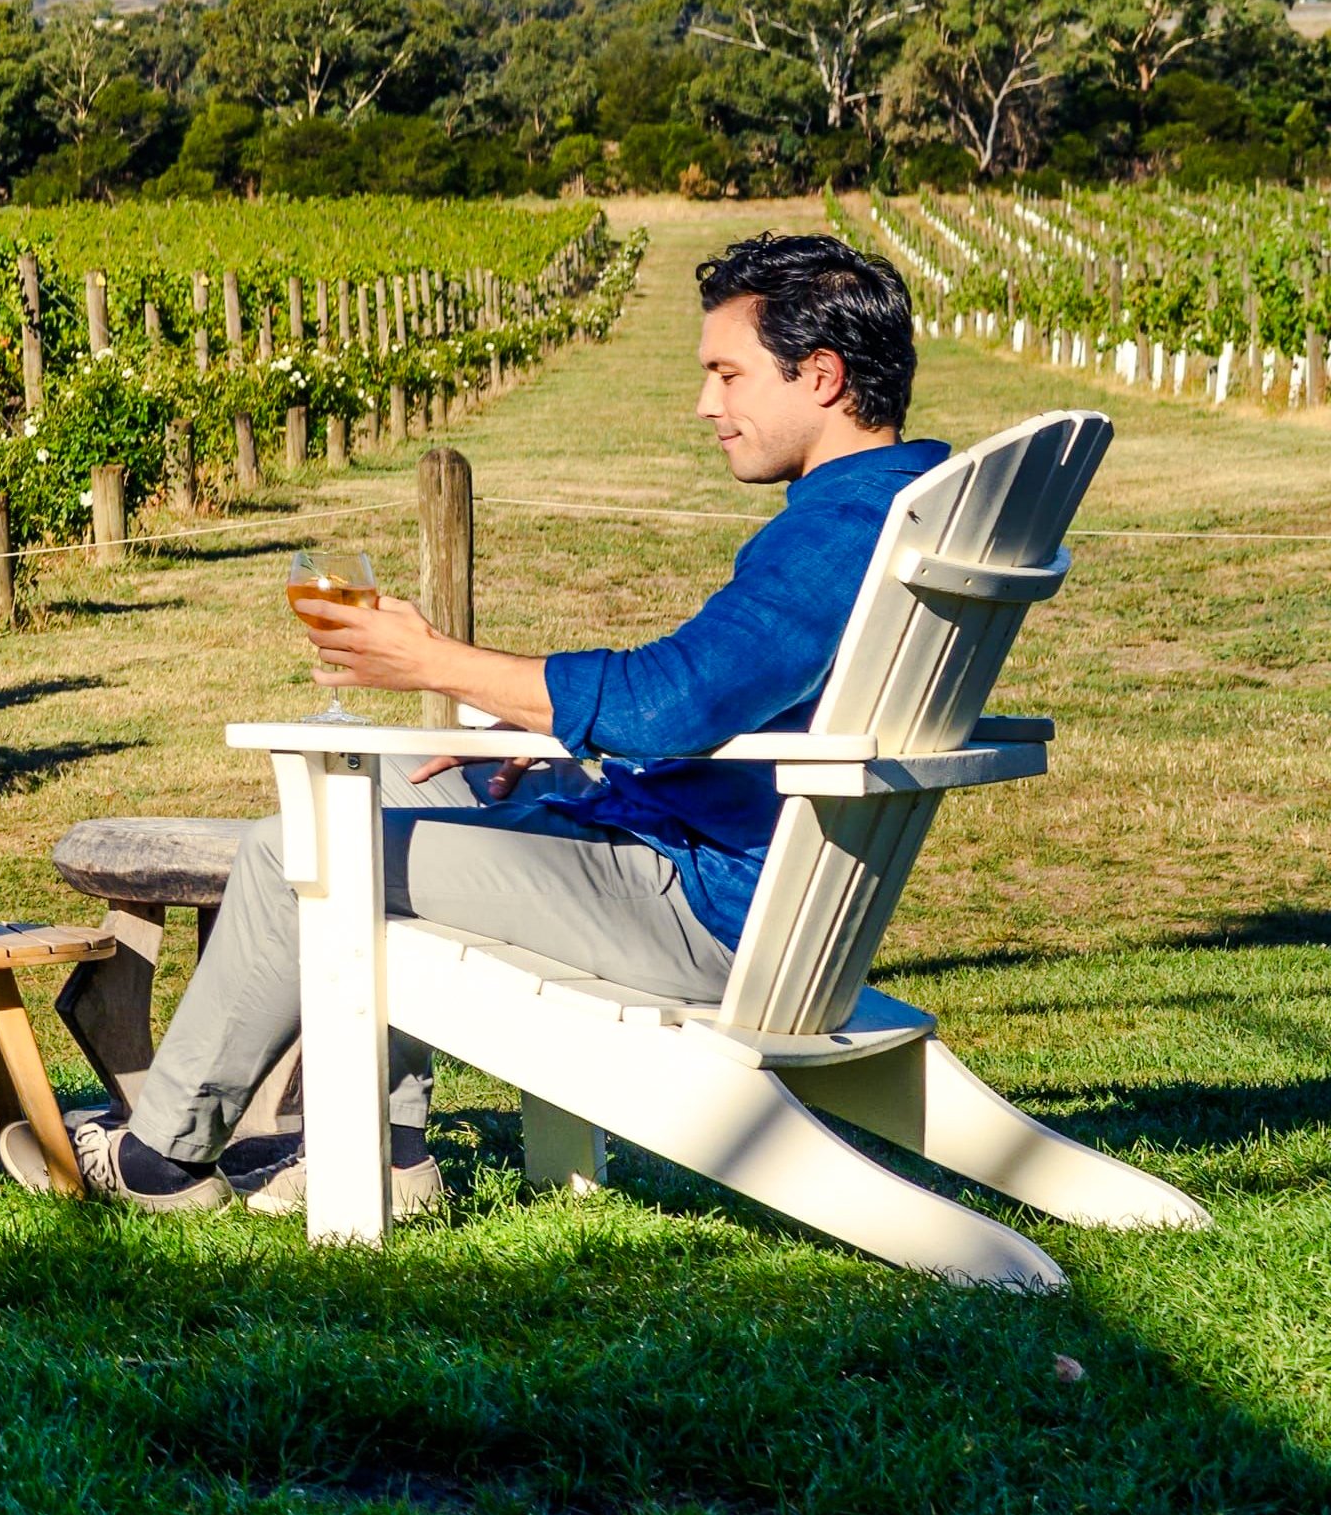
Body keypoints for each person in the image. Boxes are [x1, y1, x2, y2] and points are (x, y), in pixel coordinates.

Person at [72, 230, 948, 1220]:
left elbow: (679, 701)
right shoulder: (906, 511)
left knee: (296, 854)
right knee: (404, 786)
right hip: (730, 868)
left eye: (726, 373)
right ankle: (387, 1157)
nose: (707, 405)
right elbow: (735, 703)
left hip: (698, 907)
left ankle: (161, 1162)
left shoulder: (837, 533)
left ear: (821, 376)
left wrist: (436, 661)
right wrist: (538, 733)